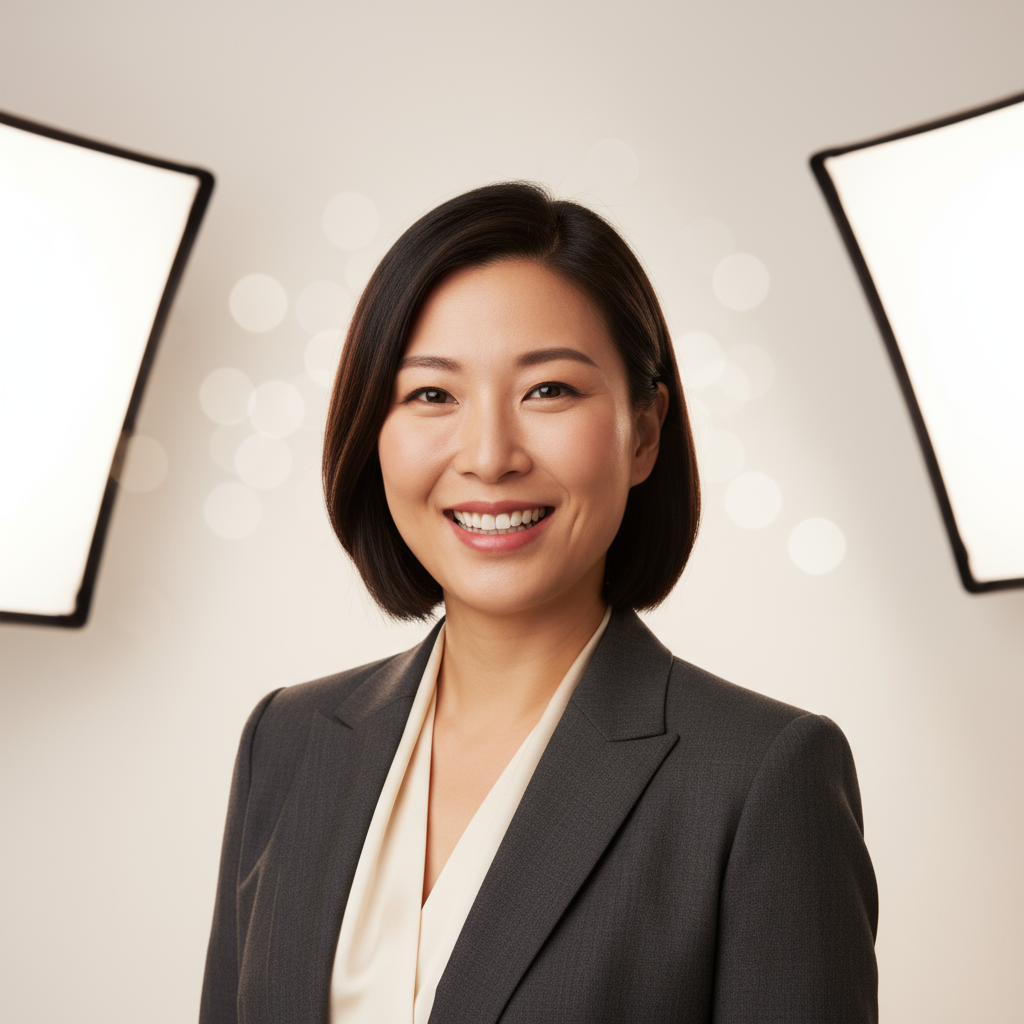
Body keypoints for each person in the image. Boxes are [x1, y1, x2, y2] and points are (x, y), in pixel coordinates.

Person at [199, 182, 878, 1024]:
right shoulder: (288, 742)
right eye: (431, 395)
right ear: (371, 431)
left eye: (549, 390)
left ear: (644, 430)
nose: (489, 456)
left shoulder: (761, 779)